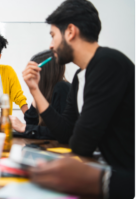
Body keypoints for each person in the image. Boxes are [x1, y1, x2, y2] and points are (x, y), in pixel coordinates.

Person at [23, 0, 134, 198]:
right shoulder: (80, 76)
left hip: (124, 182)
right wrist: (35, 90)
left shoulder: (108, 63)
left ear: (70, 31)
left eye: (53, 35)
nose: (51, 44)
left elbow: (81, 143)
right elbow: (66, 132)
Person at [10, 50, 70, 139]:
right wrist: (36, 93)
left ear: (44, 72)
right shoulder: (44, 93)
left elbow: (61, 131)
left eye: (34, 71)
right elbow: (31, 123)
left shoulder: (62, 88)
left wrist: (23, 127)